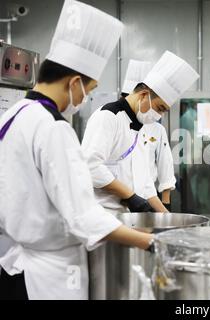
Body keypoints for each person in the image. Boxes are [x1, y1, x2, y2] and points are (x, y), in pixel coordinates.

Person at [0, 0, 153, 300]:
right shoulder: (53, 127)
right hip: (53, 276)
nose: (86, 97)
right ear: (73, 83)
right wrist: (149, 242)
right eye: (90, 89)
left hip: (17, 264)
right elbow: (83, 218)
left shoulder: (15, 113)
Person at [82, 51, 198, 216]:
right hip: (102, 215)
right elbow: (90, 167)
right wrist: (130, 196)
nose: (160, 115)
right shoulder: (108, 116)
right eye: (160, 108)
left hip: (129, 218)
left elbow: (145, 184)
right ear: (144, 95)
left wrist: (167, 218)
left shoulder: (140, 126)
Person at [121, 59, 176, 211]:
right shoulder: (115, 120)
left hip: (148, 199)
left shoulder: (156, 128)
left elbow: (165, 165)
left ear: (144, 96)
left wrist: (165, 205)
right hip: (121, 200)